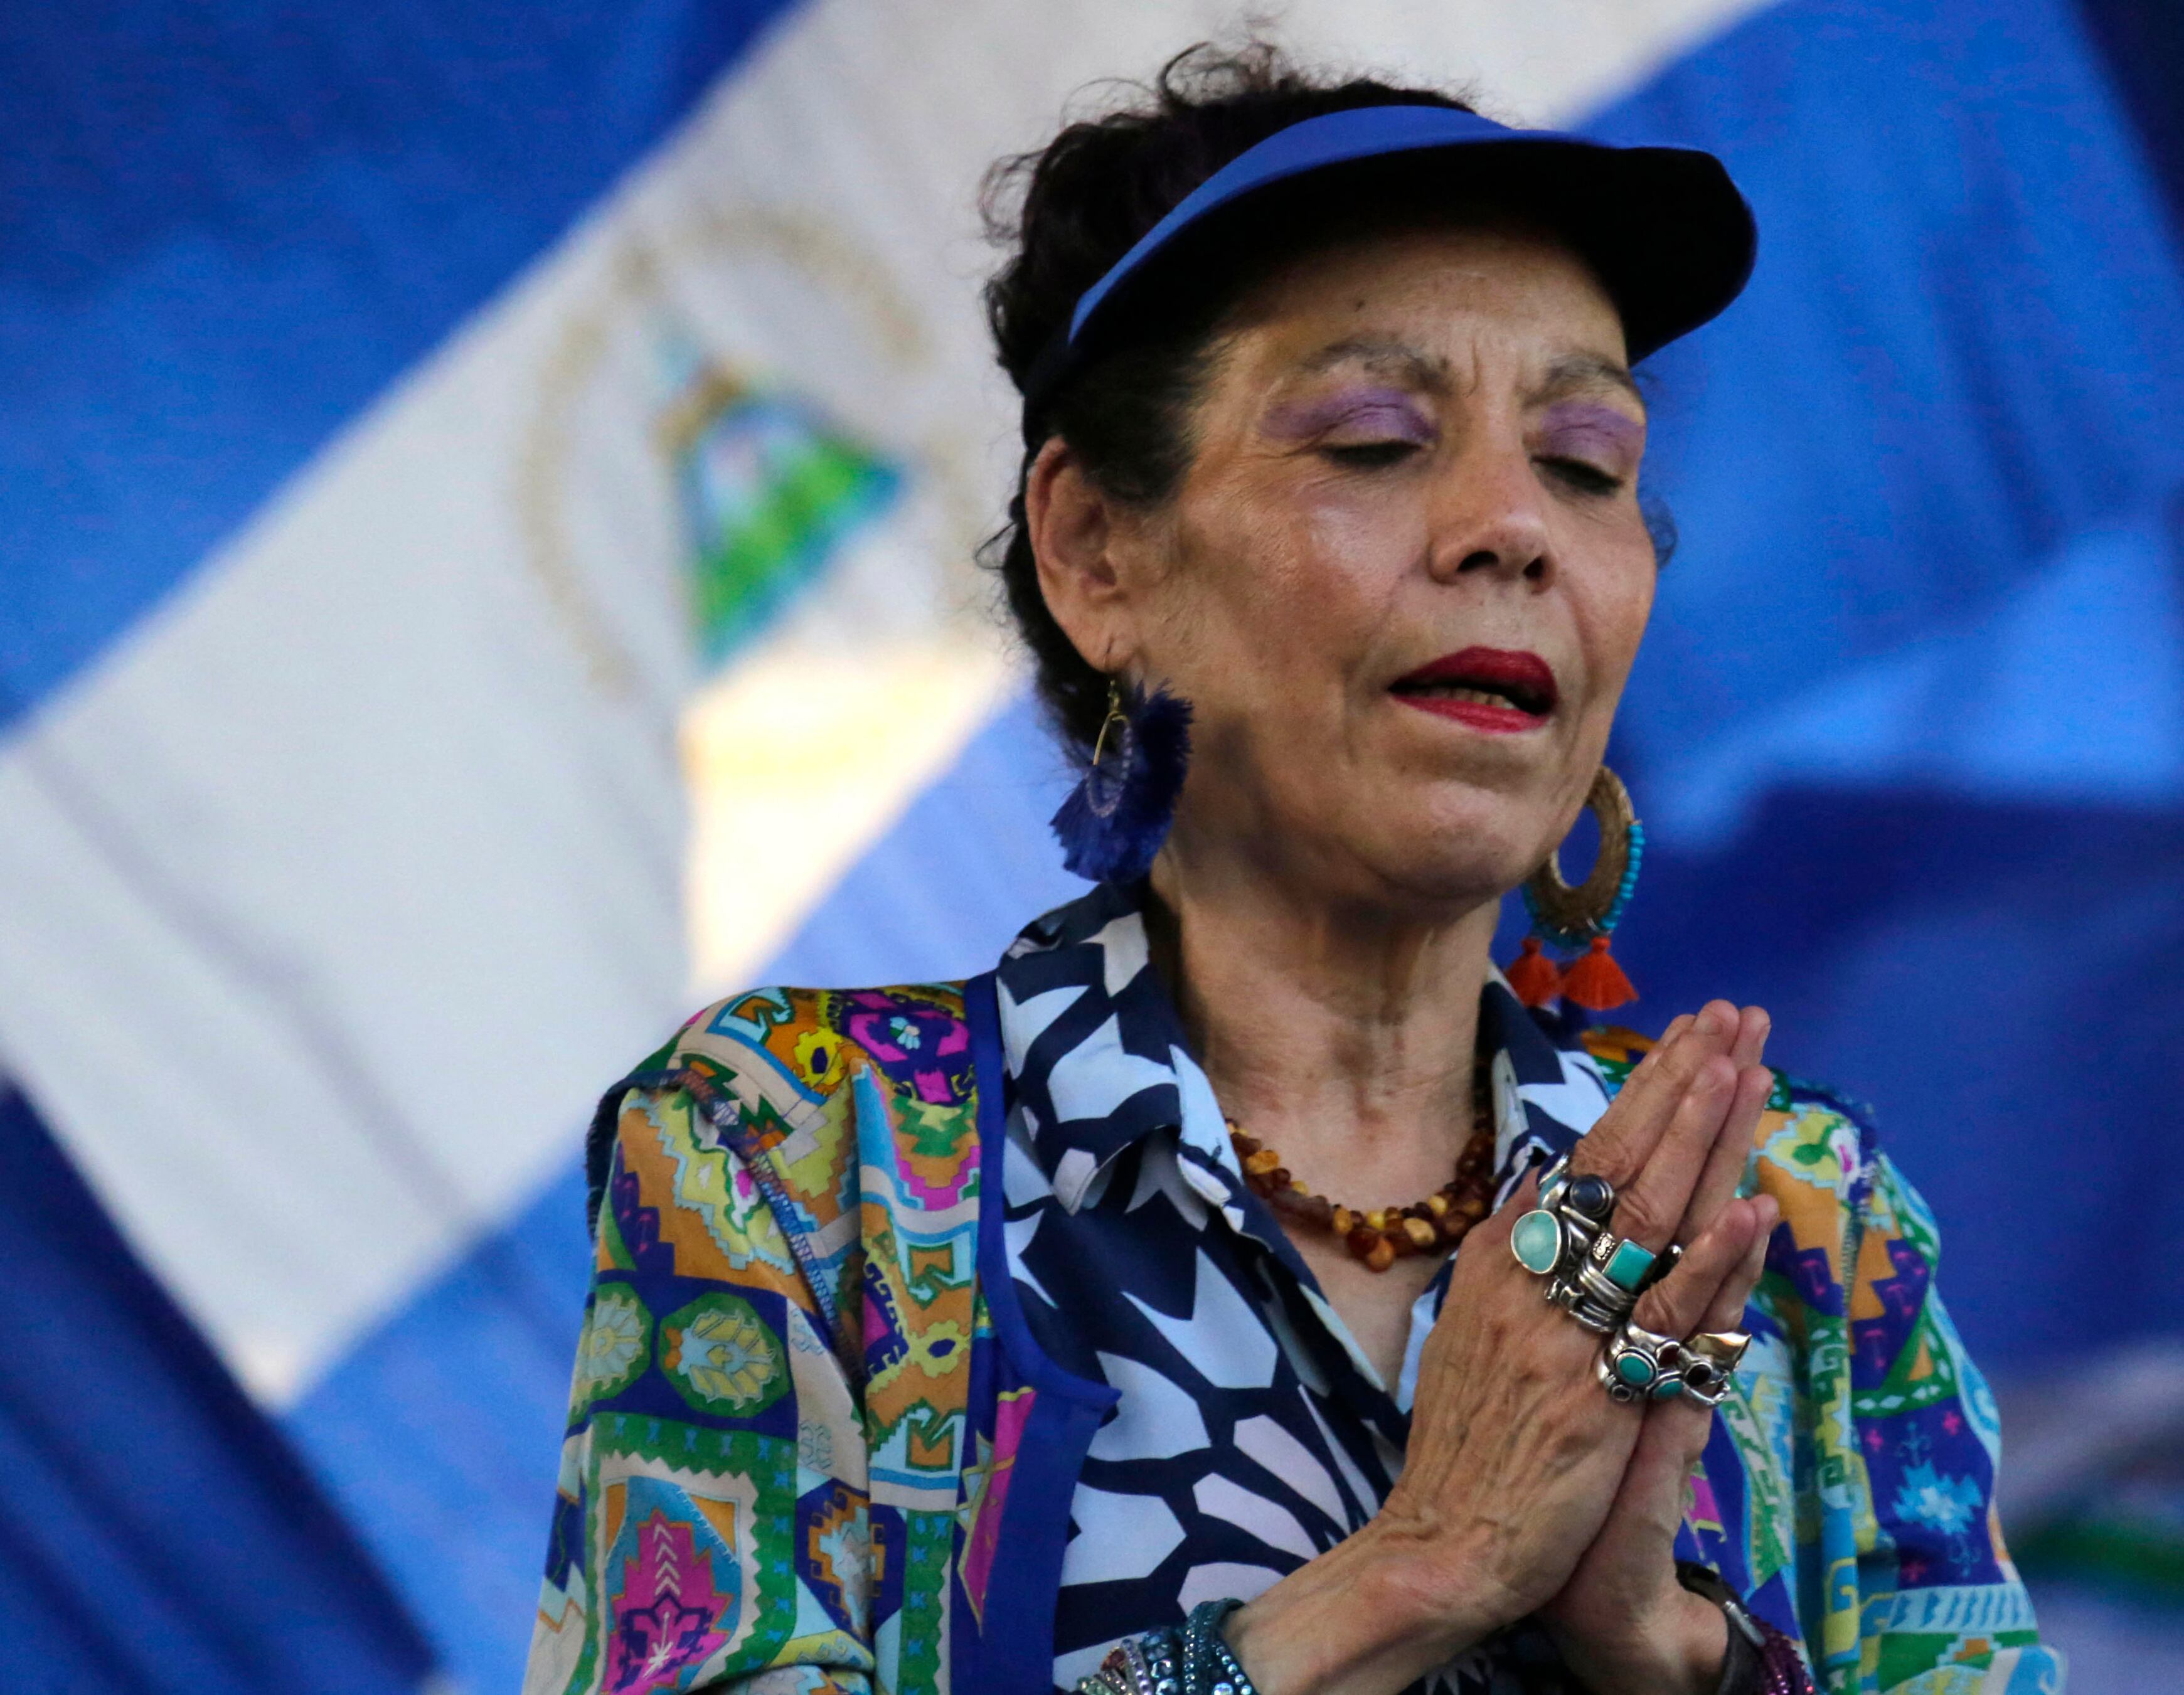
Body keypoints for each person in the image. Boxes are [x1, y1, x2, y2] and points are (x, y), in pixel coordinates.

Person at [522, 48, 2060, 1695]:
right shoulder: (797, 1149)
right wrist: (1422, 1570)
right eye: (1374, 438)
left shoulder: (1802, 1223)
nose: (1511, 529)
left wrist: (1671, 1660)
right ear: (1097, 554)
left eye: (1587, 463)